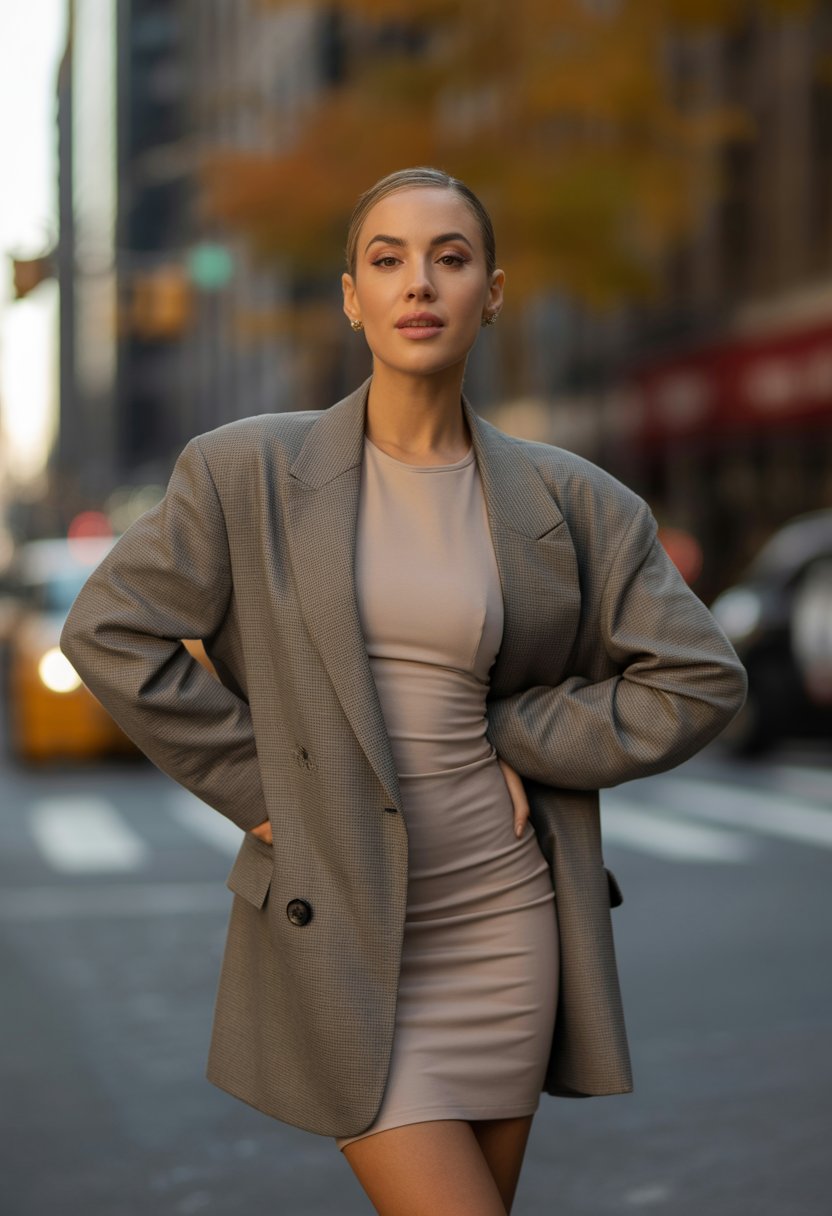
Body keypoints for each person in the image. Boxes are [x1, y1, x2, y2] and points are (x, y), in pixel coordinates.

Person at [60, 166, 748, 1216]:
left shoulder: (573, 499)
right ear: (351, 295)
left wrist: (523, 733)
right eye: (387, 260)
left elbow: (699, 677)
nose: (417, 283)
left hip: (505, 919)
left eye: (450, 258)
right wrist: (260, 788)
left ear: (493, 290)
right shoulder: (245, 472)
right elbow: (110, 630)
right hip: (339, 922)